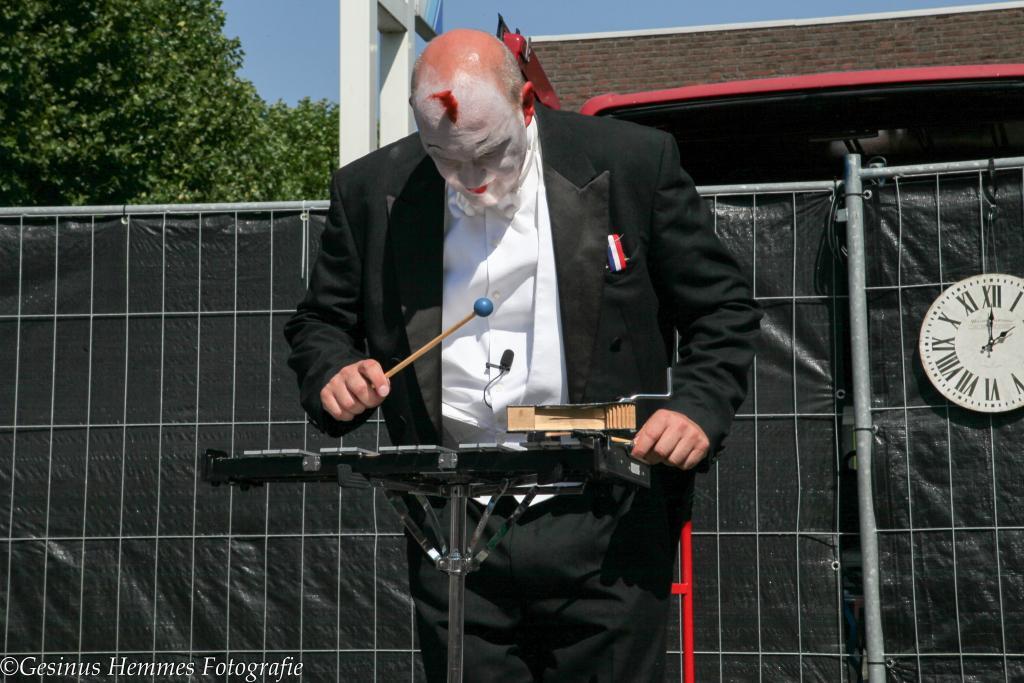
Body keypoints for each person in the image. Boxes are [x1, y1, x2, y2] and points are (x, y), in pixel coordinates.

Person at [285, 28, 760, 682]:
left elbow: (722, 308)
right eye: (444, 158)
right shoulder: (371, 189)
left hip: (605, 513)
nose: (472, 181)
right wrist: (334, 372)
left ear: (526, 103)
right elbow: (320, 323)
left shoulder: (631, 161)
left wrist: (697, 407)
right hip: (453, 525)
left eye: (489, 153)